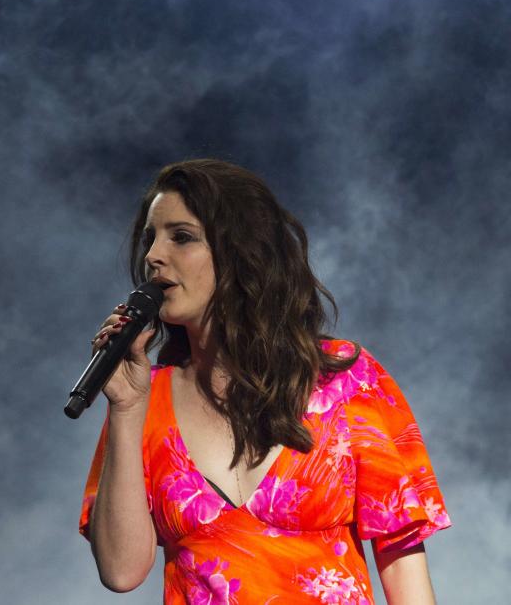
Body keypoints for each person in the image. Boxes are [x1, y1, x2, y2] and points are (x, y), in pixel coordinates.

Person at [78, 159, 451, 604]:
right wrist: (124, 408)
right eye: (150, 239)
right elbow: (121, 572)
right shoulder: (144, 399)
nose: (154, 256)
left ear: (239, 251)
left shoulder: (346, 382)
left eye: (182, 236)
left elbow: (403, 562)